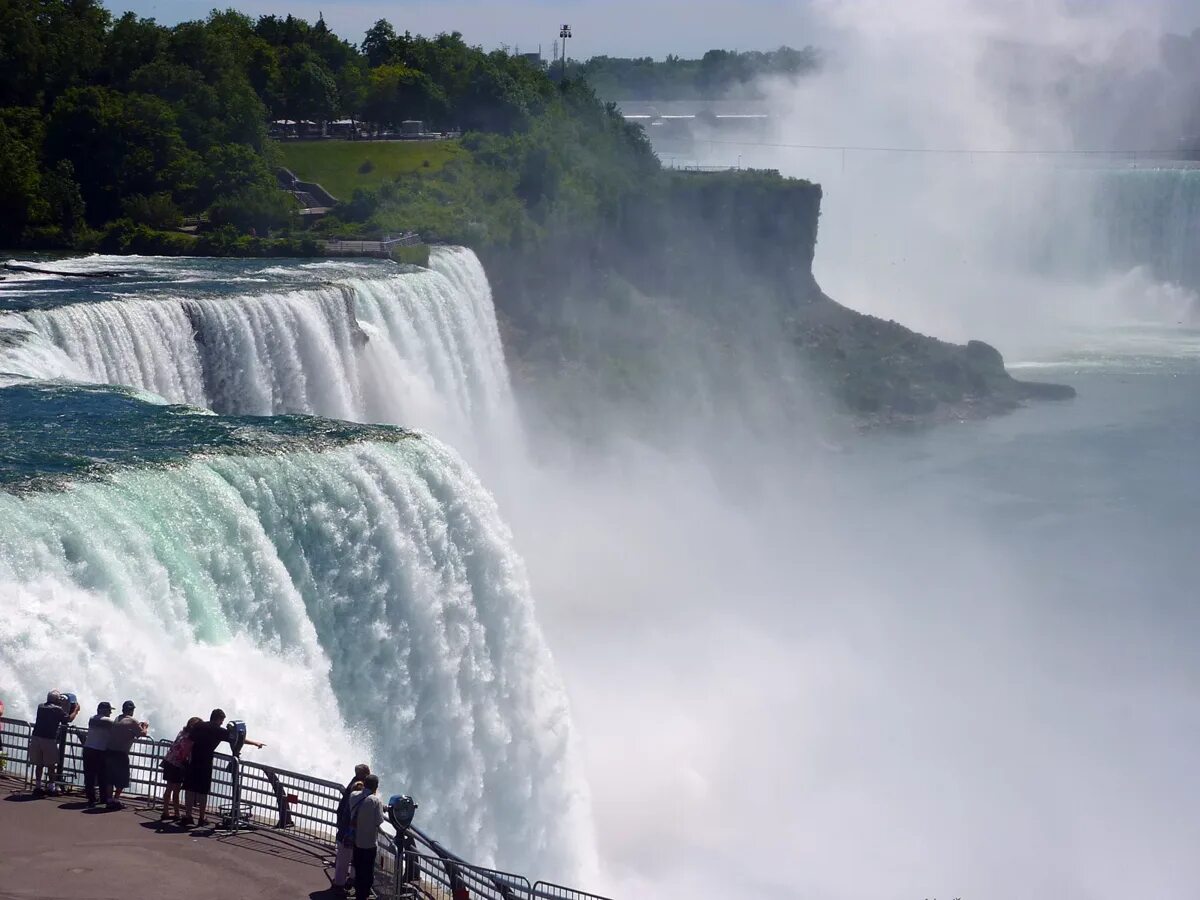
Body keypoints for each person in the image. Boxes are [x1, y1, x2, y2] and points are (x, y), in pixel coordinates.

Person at [181, 709, 264, 827]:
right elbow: (237, 738)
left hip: (193, 759)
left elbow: (189, 740)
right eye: (222, 721)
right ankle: (201, 818)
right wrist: (256, 743)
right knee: (203, 791)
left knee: (189, 789)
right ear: (219, 719)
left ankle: (188, 816)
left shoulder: (199, 725)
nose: (222, 723)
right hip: (205, 761)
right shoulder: (218, 730)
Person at [348, 774, 386, 900]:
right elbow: (379, 821)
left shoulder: (353, 796)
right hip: (369, 843)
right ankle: (363, 895)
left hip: (356, 840)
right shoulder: (375, 801)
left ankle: (358, 893)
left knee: (358, 869)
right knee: (368, 872)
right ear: (376, 786)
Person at [105, 700, 148, 810]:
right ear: (132, 710)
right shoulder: (132, 721)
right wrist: (145, 726)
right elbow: (142, 734)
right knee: (122, 778)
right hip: (121, 753)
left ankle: (109, 800)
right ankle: (116, 799)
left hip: (110, 751)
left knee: (110, 777)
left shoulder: (117, 719)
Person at [334, 763, 371, 891]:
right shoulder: (360, 789)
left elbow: (343, 807)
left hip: (346, 828)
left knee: (343, 859)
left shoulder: (352, 784)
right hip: (355, 831)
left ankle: (340, 883)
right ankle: (349, 881)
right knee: (354, 857)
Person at [159, 717, 201, 822]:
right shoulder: (190, 738)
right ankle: (177, 813)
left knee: (169, 788)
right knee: (176, 790)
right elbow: (184, 753)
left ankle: (166, 811)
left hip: (169, 761)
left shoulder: (181, 733)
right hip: (177, 764)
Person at [28, 691, 68, 795]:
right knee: (51, 765)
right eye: (59, 699)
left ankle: (38, 786)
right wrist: (76, 710)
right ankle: (51, 788)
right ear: (56, 700)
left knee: (39, 764)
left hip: (36, 737)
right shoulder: (57, 709)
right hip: (49, 739)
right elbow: (67, 719)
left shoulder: (40, 707)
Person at [82, 702, 115, 807]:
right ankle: (103, 798)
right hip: (100, 750)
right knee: (102, 775)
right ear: (104, 710)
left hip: (88, 749)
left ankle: (91, 798)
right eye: (109, 710)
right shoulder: (108, 721)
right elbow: (116, 731)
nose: (110, 712)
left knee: (89, 776)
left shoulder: (92, 719)